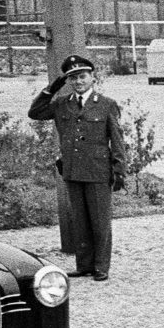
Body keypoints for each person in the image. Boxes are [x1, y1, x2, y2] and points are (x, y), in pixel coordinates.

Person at [28, 54, 126, 282]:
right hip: (72, 170)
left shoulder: (106, 104)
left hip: (98, 170)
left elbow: (117, 139)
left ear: (92, 77)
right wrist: (52, 89)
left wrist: (120, 169)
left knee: (100, 221)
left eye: (82, 76)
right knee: (79, 221)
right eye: (72, 78)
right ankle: (84, 265)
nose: (78, 82)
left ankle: (101, 266)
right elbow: (35, 113)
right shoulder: (62, 103)